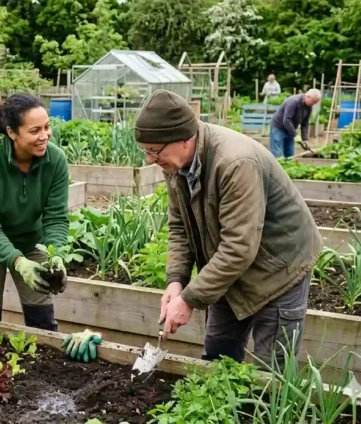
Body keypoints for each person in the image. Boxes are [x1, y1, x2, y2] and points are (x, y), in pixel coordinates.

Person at [133, 90, 321, 366]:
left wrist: (190, 300)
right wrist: (176, 282)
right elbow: (179, 227)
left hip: (280, 267)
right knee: (217, 357)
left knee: (271, 374)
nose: (149, 159)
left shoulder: (235, 163)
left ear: (184, 138)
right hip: (228, 268)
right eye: (145, 150)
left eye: (154, 150)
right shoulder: (174, 163)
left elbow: (239, 247)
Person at [0, 93, 69, 334]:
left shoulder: (55, 161)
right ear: (12, 132)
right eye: (35, 131)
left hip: (33, 241)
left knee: (42, 320)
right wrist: (19, 263)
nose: (45, 136)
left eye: (47, 127)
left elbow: (56, 217)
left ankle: (42, 372)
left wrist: (57, 255)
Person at [269, 89, 321, 158]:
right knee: (277, 154)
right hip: (278, 128)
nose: (313, 104)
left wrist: (305, 139)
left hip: (290, 130)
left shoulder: (309, 107)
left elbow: (305, 124)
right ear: (308, 96)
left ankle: (286, 168)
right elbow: (286, 120)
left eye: (315, 103)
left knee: (290, 155)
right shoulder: (293, 101)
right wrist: (295, 135)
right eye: (313, 102)